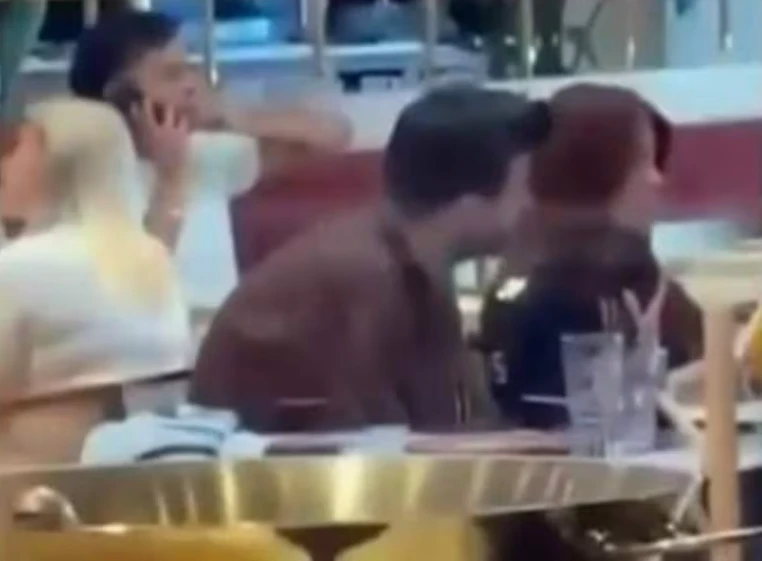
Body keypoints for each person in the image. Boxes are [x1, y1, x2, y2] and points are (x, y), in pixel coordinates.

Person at [190, 84, 551, 432]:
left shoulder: (416, 263)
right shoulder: (358, 278)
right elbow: (375, 449)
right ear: (468, 202)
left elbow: (456, 425)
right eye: (523, 188)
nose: (531, 205)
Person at [68, 9, 351, 307]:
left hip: (220, 329)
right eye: (171, 75)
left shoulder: (203, 152)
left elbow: (332, 137)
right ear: (121, 96)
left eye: (188, 69)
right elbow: (135, 284)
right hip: (153, 330)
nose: (190, 85)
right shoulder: (83, 174)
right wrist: (171, 177)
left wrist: (230, 117)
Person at [478, 83, 703, 429]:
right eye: (643, 162)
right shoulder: (613, 288)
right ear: (597, 171)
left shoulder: (518, 272)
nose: (657, 180)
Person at [0, 99, 192, 462]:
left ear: (53, 163)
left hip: (34, 475)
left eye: (15, 149)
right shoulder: (153, 258)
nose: (3, 165)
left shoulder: (16, 267)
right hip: (149, 470)